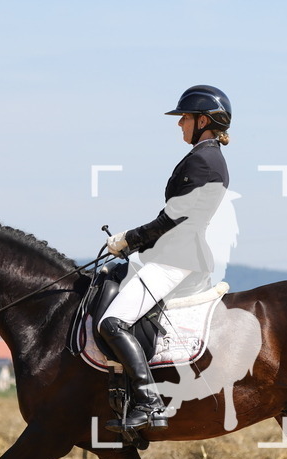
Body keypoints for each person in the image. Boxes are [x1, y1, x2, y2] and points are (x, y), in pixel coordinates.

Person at [98, 85, 232, 433]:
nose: (179, 124)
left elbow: (172, 219)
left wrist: (129, 238)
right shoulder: (208, 158)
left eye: (184, 117)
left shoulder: (203, 161)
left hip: (176, 259)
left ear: (203, 121)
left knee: (112, 323)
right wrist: (134, 247)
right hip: (175, 253)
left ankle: (149, 401)